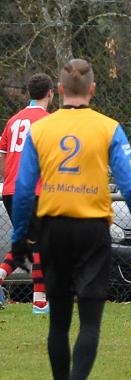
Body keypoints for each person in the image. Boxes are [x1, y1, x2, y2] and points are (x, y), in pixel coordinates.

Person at [11, 58, 131, 379]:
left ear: (59, 89)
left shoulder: (41, 129)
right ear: (92, 89)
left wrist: (20, 236)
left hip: (53, 228)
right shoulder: (108, 127)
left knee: (58, 322)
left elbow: (23, 190)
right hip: (92, 229)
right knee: (90, 322)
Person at [0, 73, 54, 313]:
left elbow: (2, 155)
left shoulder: (13, 121)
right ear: (50, 93)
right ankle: (40, 301)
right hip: (36, 191)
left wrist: (8, 178)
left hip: (11, 190)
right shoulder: (49, 122)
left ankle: (2, 276)